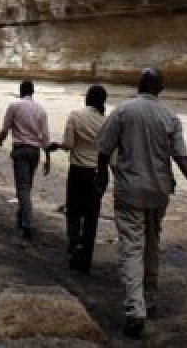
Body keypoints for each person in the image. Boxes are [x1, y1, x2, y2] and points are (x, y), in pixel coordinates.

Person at [96, 68, 187, 339]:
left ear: (139, 85)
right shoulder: (170, 117)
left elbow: (104, 149)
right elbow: (181, 156)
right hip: (159, 192)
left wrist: (101, 177)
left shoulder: (123, 111)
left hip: (130, 191)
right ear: (160, 89)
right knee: (152, 242)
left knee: (132, 248)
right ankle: (151, 297)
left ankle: (136, 310)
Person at [59, 85, 108, 274]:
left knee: (73, 211)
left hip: (78, 171)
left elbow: (68, 144)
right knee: (91, 216)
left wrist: (58, 146)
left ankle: (74, 244)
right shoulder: (107, 122)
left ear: (87, 98)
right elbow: (111, 154)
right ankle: (86, 259)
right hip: (97, 173)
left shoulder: (75, 116)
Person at [0, 80, 51, 240]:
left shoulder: (14, 106)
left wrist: (0, 140)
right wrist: (48, 159)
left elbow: (5, 128)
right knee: (27, 187)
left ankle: (26, 224)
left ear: (20, 91)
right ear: (33, 92)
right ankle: (21, 219)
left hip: (20, 150)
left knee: (23, 188)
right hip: (35, 152)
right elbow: (45, 137)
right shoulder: (41, 110)